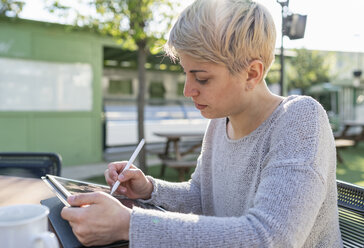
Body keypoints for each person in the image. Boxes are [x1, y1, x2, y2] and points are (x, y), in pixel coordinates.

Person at [61, 0, 343, 247]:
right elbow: (201, 198)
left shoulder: (300, 119)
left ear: (252, 73)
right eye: (186, 74)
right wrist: (149, 189)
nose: (188, 90)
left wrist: (130, 224)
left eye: (202, 78)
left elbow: (270, 238)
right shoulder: (220, 123)